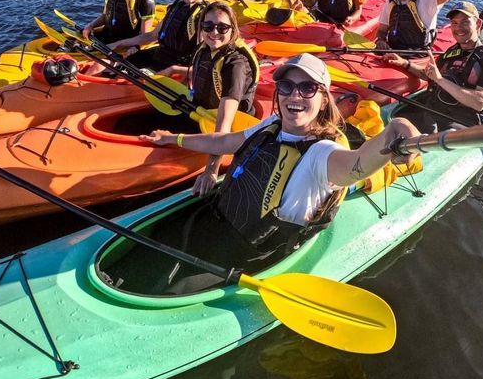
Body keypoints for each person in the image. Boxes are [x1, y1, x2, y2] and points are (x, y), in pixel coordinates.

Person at [140, 53, 419, 289]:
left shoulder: (321, 154)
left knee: (177, 288)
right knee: (152, 246)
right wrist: (174, 138)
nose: (294, 95)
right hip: (217, 222)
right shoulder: (272, 125)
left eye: (307, 87)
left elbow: (356, 166)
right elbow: (226, 141)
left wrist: (394, 132)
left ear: (323, 98)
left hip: (247, 256)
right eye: (286, 86)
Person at [166, 1, 260, 195]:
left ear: (232, 29)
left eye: (222, 27)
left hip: (229, 127)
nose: (214, 32)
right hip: (201, 114)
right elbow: (208, 73)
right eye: (208, 26)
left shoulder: (236, 64)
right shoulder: (207, 49)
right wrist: (175, 69)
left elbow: (225, 121)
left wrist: (211, 169)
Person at [383, 1, 483, 132]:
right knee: (391, 121)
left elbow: (479, 102)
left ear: (478, 24)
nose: (459, 28)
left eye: (465, 22)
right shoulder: (452, 52)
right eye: (454, 23)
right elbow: (430, 74)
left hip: (461, 122)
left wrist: (440, 80)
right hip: (433, 110)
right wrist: (405, 63)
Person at [111, 0, 208, 72]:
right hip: (159, 55)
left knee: (126, 76)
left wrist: (173, 70)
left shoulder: (207, 16)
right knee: (114, 67)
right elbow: (152, 35)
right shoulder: (177, 5)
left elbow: (204, 63)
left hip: (177, 66)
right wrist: (120, 43)